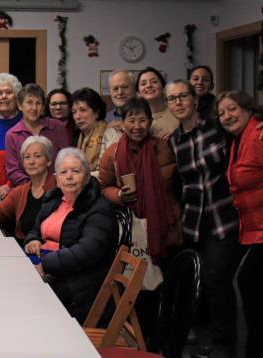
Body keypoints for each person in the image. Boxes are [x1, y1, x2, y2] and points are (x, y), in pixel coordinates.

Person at [98, 97, 182, 347]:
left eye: (142, 119)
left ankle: (162, 341)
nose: (137, 125)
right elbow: (104, 186)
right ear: (122, 122)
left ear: (150, 121)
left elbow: (177, 184)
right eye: (131, 119)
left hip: (162, 227)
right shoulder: (113, 152)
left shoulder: (163, 147)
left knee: (163, 287)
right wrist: (120, 195)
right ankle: (141, 340)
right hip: (131, 229)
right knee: (134, 287)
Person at [166, 79, 241, 358]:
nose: (178, 102)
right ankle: (210, 337)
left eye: (183, 96)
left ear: (194, 99)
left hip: (223, 214)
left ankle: (225, 344)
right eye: (172, 99)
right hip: (195, 219)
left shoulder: (216, 128)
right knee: (202, 281)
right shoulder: (174, 140)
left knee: (217, 278)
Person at [24, 147, 118, 324]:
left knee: (23, 296)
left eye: (76, 171)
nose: (69, 176)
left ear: (87, 176)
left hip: (82, 286)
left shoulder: (99, 208)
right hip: (52, 269)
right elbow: (35, 229)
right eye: (63, 172)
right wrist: (33, 240)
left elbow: (86, 252)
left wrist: (45, 266)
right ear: (57, 178)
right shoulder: (54, 199)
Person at [217, 91, 263, 358]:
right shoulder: (238, 140)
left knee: (246, 281)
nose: (226, 116)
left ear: (248, 109)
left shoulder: (257, 134)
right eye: (221, 113)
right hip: (252, 227)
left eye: (232, 109)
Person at [0, 136, 57, 246]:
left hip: (51, 251)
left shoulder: (60, 187)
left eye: (37, 156)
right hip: (24, 250)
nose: (31, 162)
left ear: (49, 160)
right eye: (27, 157)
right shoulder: (20, 192)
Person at [5, 83, 69, 186]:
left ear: (43, 107)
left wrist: (52, 183)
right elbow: (13, 171)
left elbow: (67, 159)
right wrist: (34, 187)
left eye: (38, 103)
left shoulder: (58, 127)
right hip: (27, 189)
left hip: (58, 187)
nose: (34, 108)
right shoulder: (12, 135)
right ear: (20, 106)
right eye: (29, 102)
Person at [71, 87, 120, 176]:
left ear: (97, 112)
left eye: (83, 110)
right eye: (74, 112)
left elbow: (111, 171)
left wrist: (80, 176)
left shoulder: (110, 133)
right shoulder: (79, 137)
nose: (77, 116)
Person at [136, 67, 177, 140]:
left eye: (154, 82)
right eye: (143, 83)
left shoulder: (177, 110)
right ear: (138, 93)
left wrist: (176, 135)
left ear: (163, 88)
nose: (148, 86)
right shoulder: (136, 119)